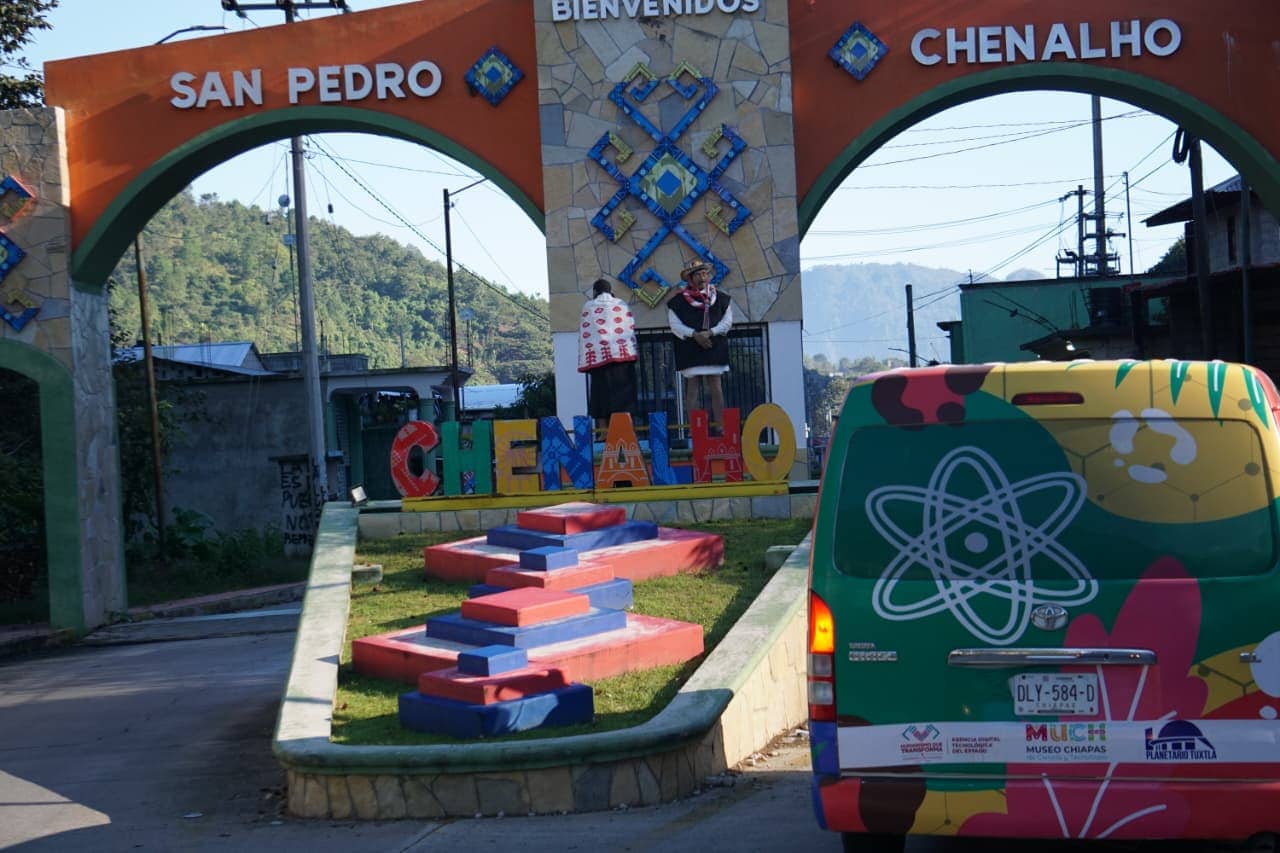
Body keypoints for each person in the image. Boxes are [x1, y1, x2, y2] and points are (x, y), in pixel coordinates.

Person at [667, 258, 733, 434]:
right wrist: (695, 335)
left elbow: (727, 322)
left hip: (714, 345)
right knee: (693, 388)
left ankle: (721, 426)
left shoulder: (721, 299)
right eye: (697, 274)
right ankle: (695, 428)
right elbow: (675, 326)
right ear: (690, 279)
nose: (702, 277)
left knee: (716, 386)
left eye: (704, 273)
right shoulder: (678, 302)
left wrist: (710, 333)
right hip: (690, 348)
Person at [577, 276, 638, 430]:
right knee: (624, 395)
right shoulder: (621, 305)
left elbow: (586, 332)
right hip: (622, 358)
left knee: (600, 395)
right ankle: (626, 430)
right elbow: (629, 326)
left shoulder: (589, 307)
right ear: (611, 291)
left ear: (595, 291)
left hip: (599, 358)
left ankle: (603, 432)